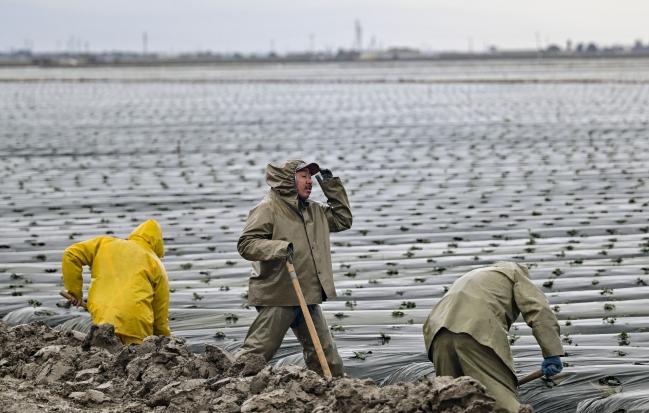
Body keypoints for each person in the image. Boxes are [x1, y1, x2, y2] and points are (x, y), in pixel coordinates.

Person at [236, 159, 352, 376]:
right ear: (289, 180)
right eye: (304, 176)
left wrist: (331, 185)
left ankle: (334, 393)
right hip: (279, 295)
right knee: (256, 353)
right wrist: (279, 248)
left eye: (311, 177)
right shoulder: (268, 208)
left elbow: (342, 220)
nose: (309, 182)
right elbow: (246, 244)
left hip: (307, 295)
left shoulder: (314, 211)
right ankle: (227, 388)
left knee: (327, 358)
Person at [423, 261, 564, 413]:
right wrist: (552, 353)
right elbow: (539, 311)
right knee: (500, 404)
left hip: (437, 335)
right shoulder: (515, 274)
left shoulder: (473, 277)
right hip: (475, 332)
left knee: (451, 403)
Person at [61, 219, 171, 345]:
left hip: (103, 320)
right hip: (136, 327)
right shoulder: (157, 265)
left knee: (103, 356)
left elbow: (70, 254)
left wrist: (75, 292)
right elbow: (160, 317)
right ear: (157, 244)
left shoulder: (105, 244)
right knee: (134, 359)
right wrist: (165, 342)